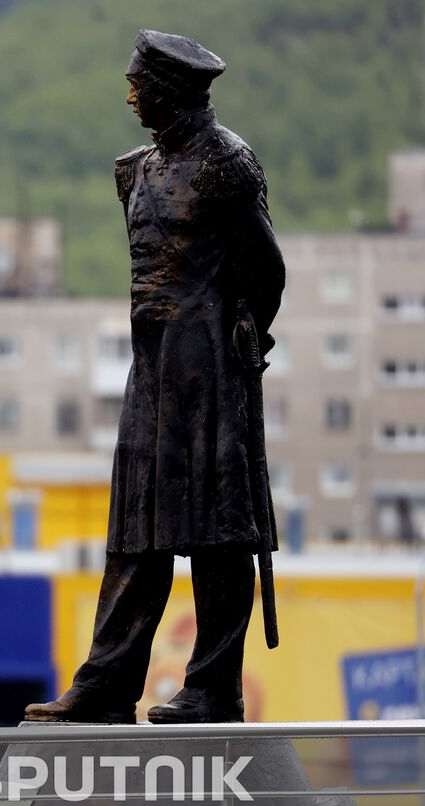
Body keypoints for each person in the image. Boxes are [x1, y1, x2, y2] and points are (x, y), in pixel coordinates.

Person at [24, 29, 285, 725]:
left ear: (171, 93)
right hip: (151, 372)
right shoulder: (134, 170)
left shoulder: (228, 164)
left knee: (218, 533)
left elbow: (266, 268)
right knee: (136, 528)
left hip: (211, 372)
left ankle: (213, 689)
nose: (130, 93)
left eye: (139, 83)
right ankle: (107, 684)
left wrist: (244, 332)